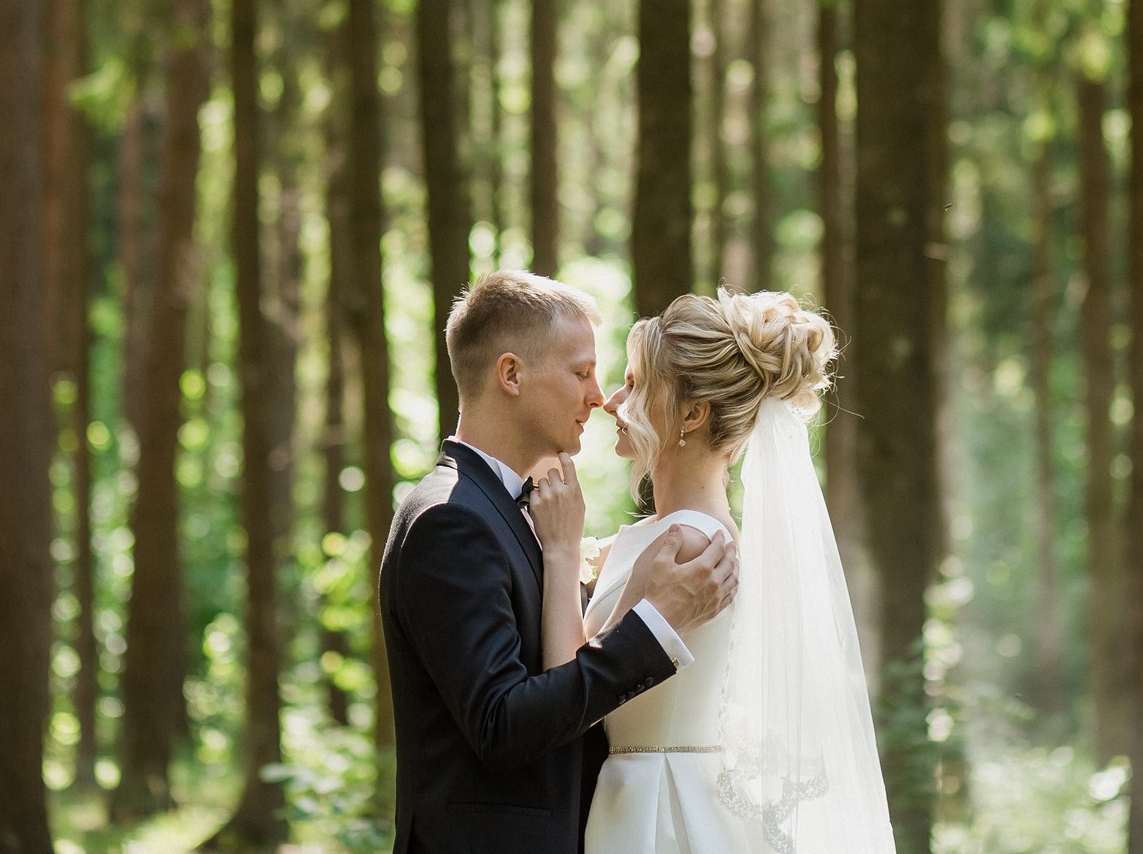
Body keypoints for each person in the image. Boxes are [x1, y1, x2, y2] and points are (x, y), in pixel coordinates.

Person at [379, 270, 740, 854]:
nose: (599, 398)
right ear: (511, 374)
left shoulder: (506, 512)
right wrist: (648, 627)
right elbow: (502, 724)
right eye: (582, 372)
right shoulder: (451, 520)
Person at [527, 288, 895, 854]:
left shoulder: (689, 543)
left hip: (658, 811)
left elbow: (570, 686)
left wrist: (558, 551)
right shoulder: (681, 532)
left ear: (692, 414)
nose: (613, 400)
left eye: (636, 383)